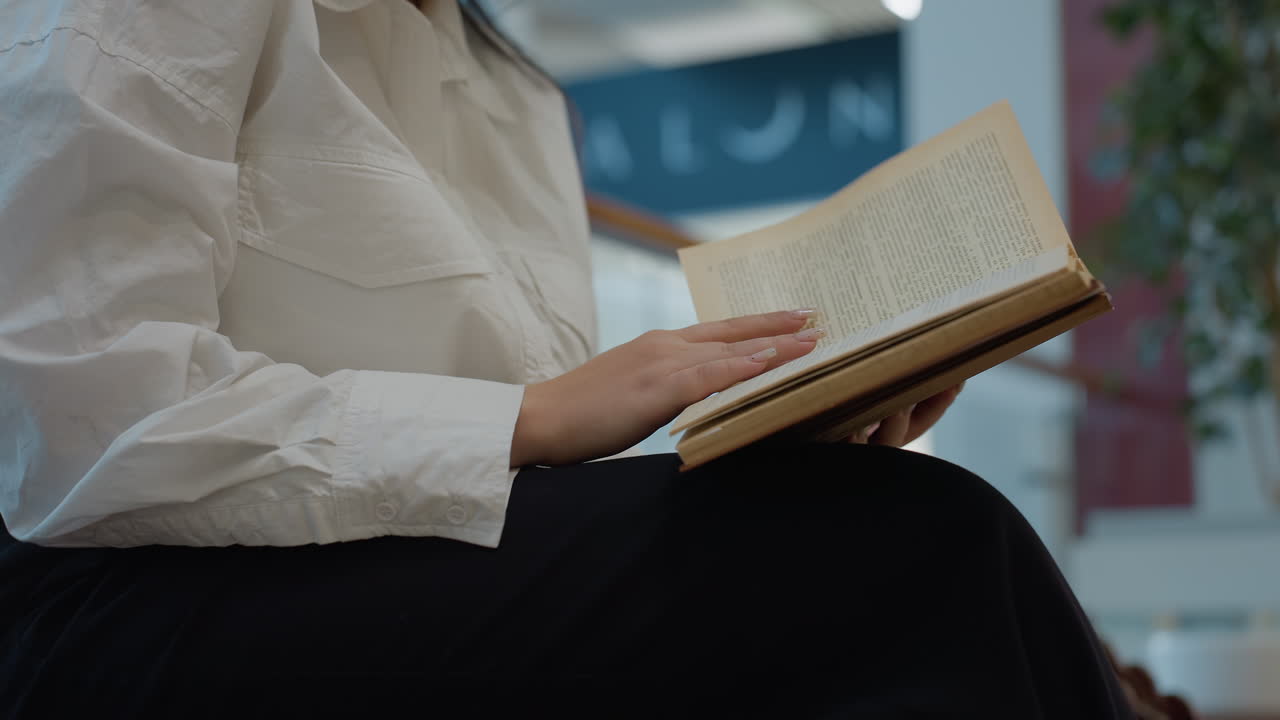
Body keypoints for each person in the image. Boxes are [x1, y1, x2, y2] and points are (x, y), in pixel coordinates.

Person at [0, 0, 1132, 717]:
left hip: (389, 557)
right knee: (925, 544)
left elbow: (515, 476)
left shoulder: (511, 86)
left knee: (879, 533)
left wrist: (794, 419)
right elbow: (81, 429)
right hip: (129, 593)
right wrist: (531, 420)